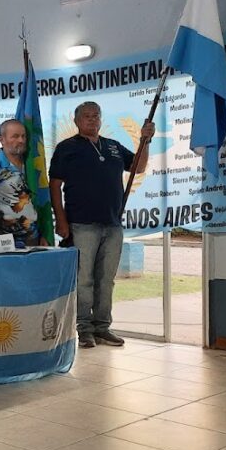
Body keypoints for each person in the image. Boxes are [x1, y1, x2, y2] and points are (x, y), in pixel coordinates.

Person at [49, 101, 154, 348]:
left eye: (96, 115)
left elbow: (138, 166)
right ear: (76, 121)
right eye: (86, 116)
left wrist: (145, 142)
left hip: (113, 223)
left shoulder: (113, 146)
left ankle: (102, 327)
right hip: (81, 224)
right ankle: (84, 328)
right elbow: (54, 185)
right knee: (84, 279)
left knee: (106, 279)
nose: (92, 120)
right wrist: (61, 221)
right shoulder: (67, 148)